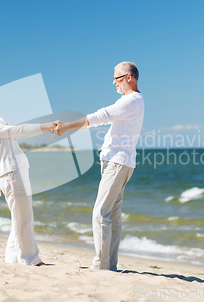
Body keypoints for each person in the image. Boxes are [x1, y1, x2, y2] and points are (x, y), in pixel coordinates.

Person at [55, 62, 144, 270]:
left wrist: (67, 126)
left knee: (100, 213)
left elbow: (98, 117)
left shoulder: (131, 101)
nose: (114, 82)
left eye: (117, 78)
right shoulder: (134, 101)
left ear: (129, 78)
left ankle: (102, 264)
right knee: (112, 214)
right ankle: (109, 264)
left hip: (117, 162)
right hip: (121, 162)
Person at [0, 91, 56, 266]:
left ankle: (12, 258)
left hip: (15, 172)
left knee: (19, 218)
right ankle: (30, 259)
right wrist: (48, 126)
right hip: (10, 173)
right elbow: (20, 130)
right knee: (23, 218)